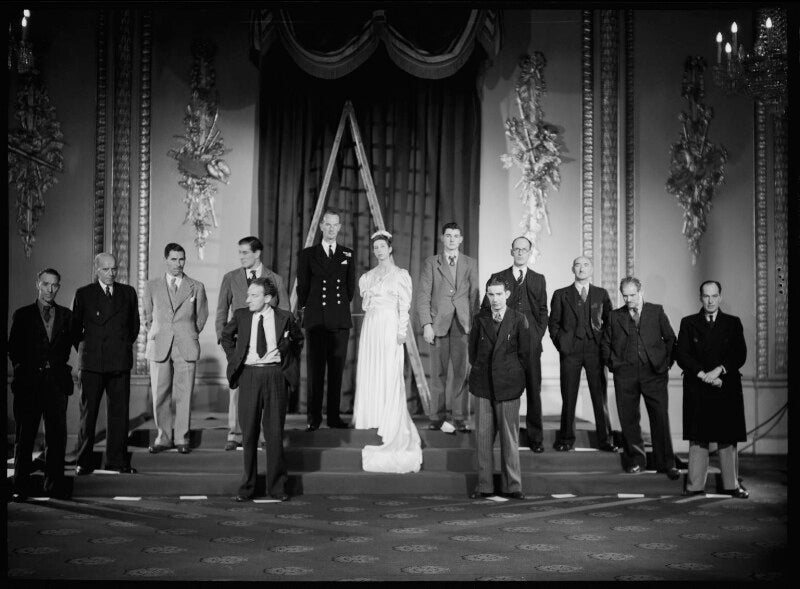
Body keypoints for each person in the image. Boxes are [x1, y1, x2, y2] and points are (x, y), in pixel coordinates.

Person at [221, 277, 303, 502]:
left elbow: (298, 340)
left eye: (254, 295)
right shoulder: (241, 315)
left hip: (275, 376)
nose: (248, 299)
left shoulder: (284, 317)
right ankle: (248, 487)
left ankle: (276, 487)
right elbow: (226, 337)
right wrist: (234, 358)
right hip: (249, 376)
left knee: (274, 433)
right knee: (249, 434)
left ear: (267, 298)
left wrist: (286, 356)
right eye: (248, 294)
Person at [353, 231, 422, 473]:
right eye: (376, 248)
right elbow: (367, 304)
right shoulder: (368, 277)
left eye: (383, 247)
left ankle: (389, 415)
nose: (379, 251)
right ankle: (372, 412)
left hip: (390, 325)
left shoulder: (400, 275)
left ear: (390, 248)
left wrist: (401, 332)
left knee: (389, 369)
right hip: (372, 326)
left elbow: (404, 307)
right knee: (372, 368)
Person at [601, 276, 680, 480]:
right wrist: (614, 365)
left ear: (641, 291)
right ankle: (636, 461)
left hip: (654, 373)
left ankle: (666, 463)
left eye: (632, 295)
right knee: (629, 420)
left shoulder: (656, 311)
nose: (628, 300)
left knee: (660, 418)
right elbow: (605, 344)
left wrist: (665, 365)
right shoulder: (614, 316)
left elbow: (671, 340)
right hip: (624, 374)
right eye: (625, 296)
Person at [676, 281, 748, 498]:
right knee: (698, 438)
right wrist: (703, 375)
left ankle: (732, 485)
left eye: (714, 296)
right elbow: (682, 355)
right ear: (700, 297)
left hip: (725, 386)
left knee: (727, 438)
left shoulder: (733, 323)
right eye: (706, 296)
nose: (710, 300)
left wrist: (719, 371)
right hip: (698, 387)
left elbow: (739, 354)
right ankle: (694, 486)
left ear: (720, 297)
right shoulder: (688, 323)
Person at [216, 236, 289, 450]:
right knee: (237, 390)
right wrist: (227, 346)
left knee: (267, 394)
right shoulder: (230, 278)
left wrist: (281, 347)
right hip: (240, 346)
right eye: (239, 252)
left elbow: (285, 313)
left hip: (267, 349)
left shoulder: (275, 279)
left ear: (257, 253)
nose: (241, 257)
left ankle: (266, 437)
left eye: (245, 252)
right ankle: (235, 434)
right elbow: (221, 312)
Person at [71, 253, 140, 474]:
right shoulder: (84, 294)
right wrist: (90, 351)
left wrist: (118, 347)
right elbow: (74, 331)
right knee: (88, 416)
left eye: (114, 269)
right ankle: (83, 461)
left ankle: (117, 461)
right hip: (92, 363)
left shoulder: (128, 293)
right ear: (97, 270)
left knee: (119, 415)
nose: (111, 274)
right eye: (106, 269)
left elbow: (134, 327)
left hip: (119, 362)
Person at [8, 268, 74, 500]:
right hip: (29, 384)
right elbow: (13, 349)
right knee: (25, 437)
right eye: (46, 284)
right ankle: (20, 487)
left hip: (57, 385)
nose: (50, 289)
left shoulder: (67, 315)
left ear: (59, 287)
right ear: (38, 284)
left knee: (56, 438)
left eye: (54, 285)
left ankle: (53, 486)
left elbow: (79, 343)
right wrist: (25, 371)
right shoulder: (23, 314)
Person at [482, 236, 548, 452]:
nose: (520, 253)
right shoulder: (498, 277)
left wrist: (536, 335)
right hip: (505, 346)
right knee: (503, 391)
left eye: (524, 250)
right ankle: (502, 437)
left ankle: (535, 439)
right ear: (511, 251)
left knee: (533, 391)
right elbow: (486, 310)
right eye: (516, 249)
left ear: (530, 252)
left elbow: (542, 311)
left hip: (530, 344)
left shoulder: (539, 279)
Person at [143, 243, 209, 454]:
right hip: (160, 344)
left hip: (185, 345)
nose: (178, 263)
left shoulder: (195, 286)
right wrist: (158, 331)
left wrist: (189, 333)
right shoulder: (152, 286)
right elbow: (146, 316)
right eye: (173, 259)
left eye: (181, 259)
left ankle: (182, 438)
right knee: (160, 394)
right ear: (166, 259)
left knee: (184, 394)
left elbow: (202, 316)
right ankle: (163, 437)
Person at [468, 277, 530, 499]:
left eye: (498, 294)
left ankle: (512, 486)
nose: (494, 299)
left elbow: (525, 355)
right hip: (483, 385)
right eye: (490, 294)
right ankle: (484, 485)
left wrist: (514, 377)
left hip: (509, 386)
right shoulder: (480, 319)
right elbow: (472, 352)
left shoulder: (519, 319)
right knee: (483, 438)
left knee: (509, 438)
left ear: (507, 295)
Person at [548, 256, 616, 452]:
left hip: (595, 351)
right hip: (571, 351)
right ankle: (566, 439)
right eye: (578, 265)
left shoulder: (601, 294)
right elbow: (554, 324)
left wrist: (604, 347)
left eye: (586, 265)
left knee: (599, 396)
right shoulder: (561, 294)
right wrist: (563, 344)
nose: (582, 268)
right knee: (569, 396)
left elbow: (609, 322)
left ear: (592, 269)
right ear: (572, 269)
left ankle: (605, 440)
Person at [417, 222, 479, 432]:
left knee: (462, 373)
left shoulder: (470, 263)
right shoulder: (431, 263)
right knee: (438, 373)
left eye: (456, 236)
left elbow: (475, 297)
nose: (452, 239)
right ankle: (437, 417)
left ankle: (460, 418)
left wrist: (475, 325)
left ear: (461, 239)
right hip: (438, 324)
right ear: (443, 238)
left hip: (463, 325)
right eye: (448, 235)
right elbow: (423, 295)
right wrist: (427, 324)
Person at [297, 209, 355, 431]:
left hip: (339, 320)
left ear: (340, 227)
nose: (331, 229)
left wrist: (335, 308)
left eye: (335, 225)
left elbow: (350, 290)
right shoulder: (307, 254)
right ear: (321, 226)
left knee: (336, 371)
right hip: (316, 320)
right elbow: (302, 286)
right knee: (315, 371)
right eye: (327, 225)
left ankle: (333, 417)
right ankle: (314, 418)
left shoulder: (347, 254)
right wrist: (309, 309)